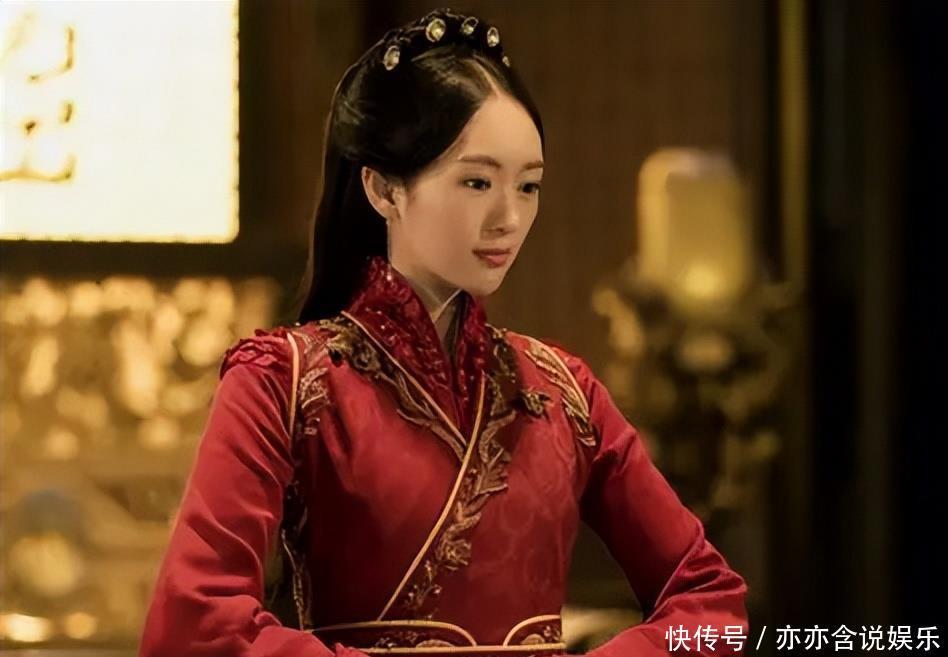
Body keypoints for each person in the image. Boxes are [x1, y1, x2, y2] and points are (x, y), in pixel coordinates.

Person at [140, 8, 748, 657]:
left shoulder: (564, 392)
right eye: (477, 182)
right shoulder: (283, 382)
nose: (508, 217)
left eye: (529, 186)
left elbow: (712, 603)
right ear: (383, 189)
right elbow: (194, 624)